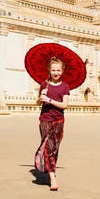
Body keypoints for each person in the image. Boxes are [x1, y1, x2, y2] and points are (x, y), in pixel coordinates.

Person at [34, 57, 70, 191]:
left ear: (62, 71)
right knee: (47, 146)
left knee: (54, 148)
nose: (56, 73)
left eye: (58, 70)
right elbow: (37, 103)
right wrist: (40, 97)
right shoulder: (44, 85)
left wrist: (49, 99)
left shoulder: (65, 86)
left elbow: (64, 105)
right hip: (45, 120)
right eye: (53, 70)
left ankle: (48, 168)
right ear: (49, 70)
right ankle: (52, 177)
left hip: (59, 121)